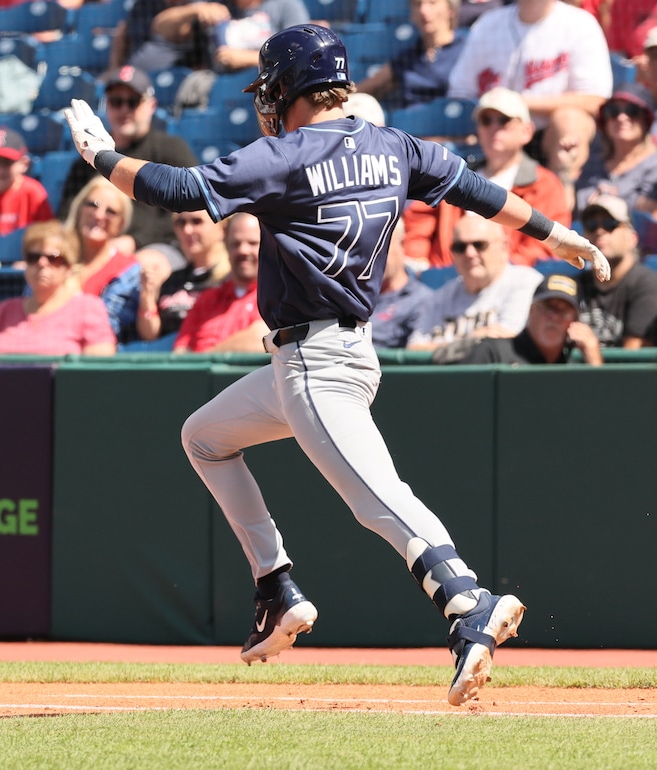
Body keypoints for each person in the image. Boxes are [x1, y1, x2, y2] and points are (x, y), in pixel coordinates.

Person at [63, 23, 610, 705]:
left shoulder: (285, 155)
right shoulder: (395, 144)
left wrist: (102, 157)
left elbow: (175, 189)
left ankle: (468, 601)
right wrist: (559, 234)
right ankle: (275, 587)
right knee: (204, 437)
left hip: (313, 363)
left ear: (288, 86)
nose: (267, 100)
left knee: (379, 499)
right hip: (339, 352)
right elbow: (478, 191)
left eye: (271, 88)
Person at [446, 0, 613, 200]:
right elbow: (460, 91)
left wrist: (520, 103)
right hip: (499, 128)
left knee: (570, 121)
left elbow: (595, 99)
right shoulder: (488, 24)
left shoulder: (579, 23)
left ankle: (558, 205)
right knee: (491, 121)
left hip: (548, 135)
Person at [402, 88, 570, 270]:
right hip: (444, 282)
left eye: (504, 120)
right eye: (486, 121)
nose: (494, 128)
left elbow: (544, 247)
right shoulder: (454, 175)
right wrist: (418, 260)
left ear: (527, 131)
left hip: (509, 283)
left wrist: (495, 272)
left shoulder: (544, 184)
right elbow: (417, 225)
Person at [59, 67, 198, 257]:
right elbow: (67, 213)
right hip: (96, 251)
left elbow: (193, 207)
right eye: (116, 102)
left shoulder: (170, 149)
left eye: (133, 102)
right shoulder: (88, 157)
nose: (124, 110)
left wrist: (136, 240)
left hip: (156, 248)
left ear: (151, 106)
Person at [0, 221, 116, 355]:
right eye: (33, 257)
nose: (42, 263)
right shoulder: (5, 310)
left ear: (68, 268)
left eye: (53, 258)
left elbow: (99, 367)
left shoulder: (88, 308)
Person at [407, 214, 545, 352]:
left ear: (504, 247)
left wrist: (443, 349)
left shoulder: (525, 282)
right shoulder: (440, 298)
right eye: (460, 247)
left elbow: (507, 343)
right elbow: (413, 351)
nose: (470, 253)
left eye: (479, 245)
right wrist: (471, 342)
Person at [171, 212, 268, 353]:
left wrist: (207, 358)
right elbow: (180, 352)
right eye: (236, 244)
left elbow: (262, 338)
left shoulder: (277, 297)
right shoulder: (207, 299)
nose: (243, 250)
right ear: (226, 247)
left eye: (252, 243)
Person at [459, 274, 603, 364]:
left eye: (563, 311)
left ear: (575, 321)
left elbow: (603, 409)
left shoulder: (573, 368)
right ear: (531, 310)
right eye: (548, 307)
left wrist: (594, 359)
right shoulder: (492, 353)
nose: (554, 317)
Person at [65, 176, 143, 342]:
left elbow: (107, 327)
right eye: (93, 205)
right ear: (79, 210)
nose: (99, 215)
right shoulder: (54, 257)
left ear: (121, 224)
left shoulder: (129, 270)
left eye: (111, 212)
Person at [135, 208, 233, 341]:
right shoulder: (173, 280)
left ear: (223, 229)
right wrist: (147, 296)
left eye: (196, 221)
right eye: (181, 222)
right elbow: (150, 336)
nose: (187, 230)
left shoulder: (231, 278)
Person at [576, 195, 657, 348]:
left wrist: (594, 361)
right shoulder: (573, 285)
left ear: (632, 238)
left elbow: (634, 362)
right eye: (591, 225)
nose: (600, 231)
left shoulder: (649, 285)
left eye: (610, 224)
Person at [355, 0, 467, 110]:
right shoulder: (408, 58)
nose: (423, 10)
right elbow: (366, 88)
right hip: (411, 125)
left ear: (450, 10)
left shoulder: (466, 49)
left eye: (432, 3)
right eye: (417, 4)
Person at [150, 0, 309, 75]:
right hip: (220, 86)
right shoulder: (215, 4)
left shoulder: (285, 5)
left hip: (271, 85)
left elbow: (303, 53)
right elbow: (159, 27)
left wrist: (251, 58)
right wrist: (197, 10)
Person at [573, 85, 657, 217]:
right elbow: (570, 209)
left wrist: (607, 200)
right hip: (586, 234)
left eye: (632, 111)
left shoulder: (654, 164)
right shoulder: (594, 161)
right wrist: (565, 168)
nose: (621, 117)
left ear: (646, 120)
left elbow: (651, 212)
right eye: (613, 111)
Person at [372, 220, 435, 349]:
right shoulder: (353, 294)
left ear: (402, 245)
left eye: (379, 249)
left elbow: (415, 353)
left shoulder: (422, 300)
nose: (372, 258)